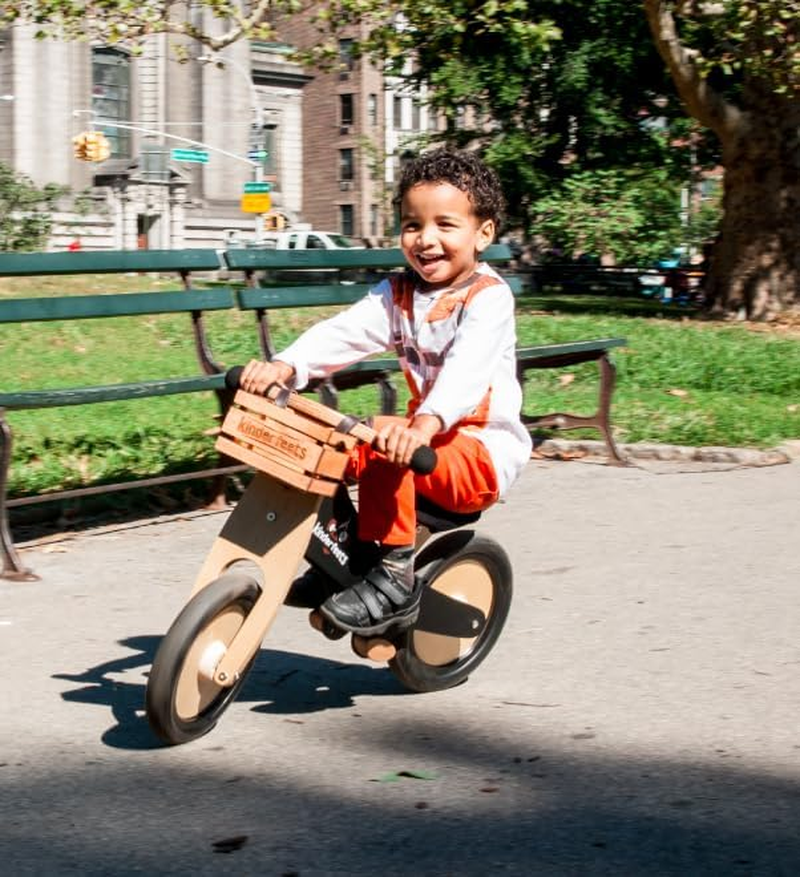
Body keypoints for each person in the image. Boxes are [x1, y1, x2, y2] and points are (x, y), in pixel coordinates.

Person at [240, 147, 532, 636]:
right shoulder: (398, 294)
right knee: (323, 445)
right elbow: (344, 332)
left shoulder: (488, 298)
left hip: (479, 454)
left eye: (445, 224)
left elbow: (466, 372)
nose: (426, 239)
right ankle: (342, 556)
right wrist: (285, 367)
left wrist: (423, 425)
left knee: (379, 442)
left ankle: (395, 579)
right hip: (421, 440)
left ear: (483, 233)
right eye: (412, 225)